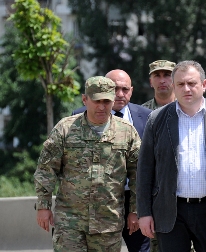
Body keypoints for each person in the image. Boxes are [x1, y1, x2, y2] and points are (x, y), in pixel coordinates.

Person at [34, 76, 141, 251]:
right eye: (96, 101)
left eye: (106, 101)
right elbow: (46, 170)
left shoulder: (127, 132)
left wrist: (135, 210)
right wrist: (43, 206)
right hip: (70, 222)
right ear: (85, 99)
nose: (101, 106)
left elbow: (138, 174)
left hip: (108, 223)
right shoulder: (65, 129)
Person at [137, 60, 206, 252]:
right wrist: (143, 213)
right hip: (171, 211)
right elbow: (145, 170)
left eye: (192, 83)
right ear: (174, 87)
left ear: (203, 84)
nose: (186, 89)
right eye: (180, 84)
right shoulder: (157, 119)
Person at [72, 69, 152, 252]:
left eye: (125, 89)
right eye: (114, 89)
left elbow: (144, 166)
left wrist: (137, 208)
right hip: (98, 202)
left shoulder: (146, 117)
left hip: (135, 197)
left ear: (131, 90)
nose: (119, 94)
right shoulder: (78, 116)